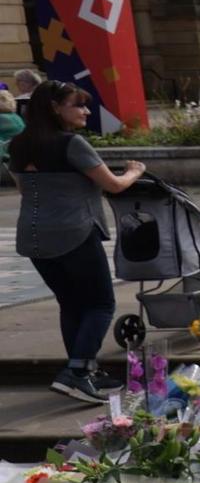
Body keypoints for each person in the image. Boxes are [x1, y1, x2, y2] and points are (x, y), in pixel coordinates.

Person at [9, 81, 140, 403]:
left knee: (71, 304)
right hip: (74, 232)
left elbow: (24, 189)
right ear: (55, 107)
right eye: (77, 105)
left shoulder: (17, 145)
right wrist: (135, 171)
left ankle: (85, 370)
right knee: (100, 304)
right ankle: (77, 372)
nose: (85, 111)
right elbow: (114, 185)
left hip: (33, 234)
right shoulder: (72, 144)